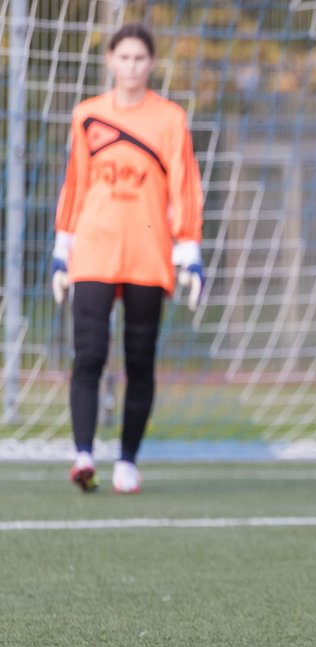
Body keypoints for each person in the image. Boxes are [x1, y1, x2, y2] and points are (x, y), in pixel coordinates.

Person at [50, 22, 206, 494]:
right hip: (94, 249)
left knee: (140, 360)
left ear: (151, 63)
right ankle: (82, 455)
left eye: (140, 58)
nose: (132, 65)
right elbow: (75, 184)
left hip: (148, 252)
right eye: (124, 57)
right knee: (90, 354)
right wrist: (62, 250)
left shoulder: (170, 119)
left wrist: (190, 253)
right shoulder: (87, 116)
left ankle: (127, 462)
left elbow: (184, 187)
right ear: (110, 61)